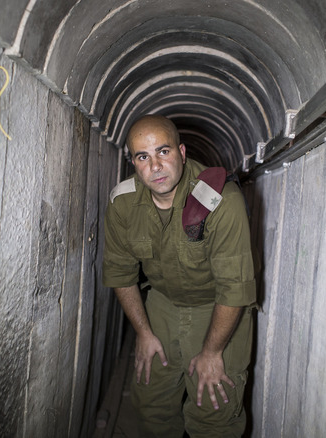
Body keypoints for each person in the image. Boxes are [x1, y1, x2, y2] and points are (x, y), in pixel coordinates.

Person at [103, 114, 256, 436]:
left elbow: (234, 288)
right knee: (151, 402)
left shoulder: (221, 201)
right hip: (162, 304)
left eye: (164, 152)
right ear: (133, 162)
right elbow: (120, 273)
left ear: (182, 153)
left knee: (213, 410)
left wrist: (212, 352)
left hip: (218, 308)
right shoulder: (123, 203)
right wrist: (143, 333)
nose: (155, 166)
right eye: (143, 157)